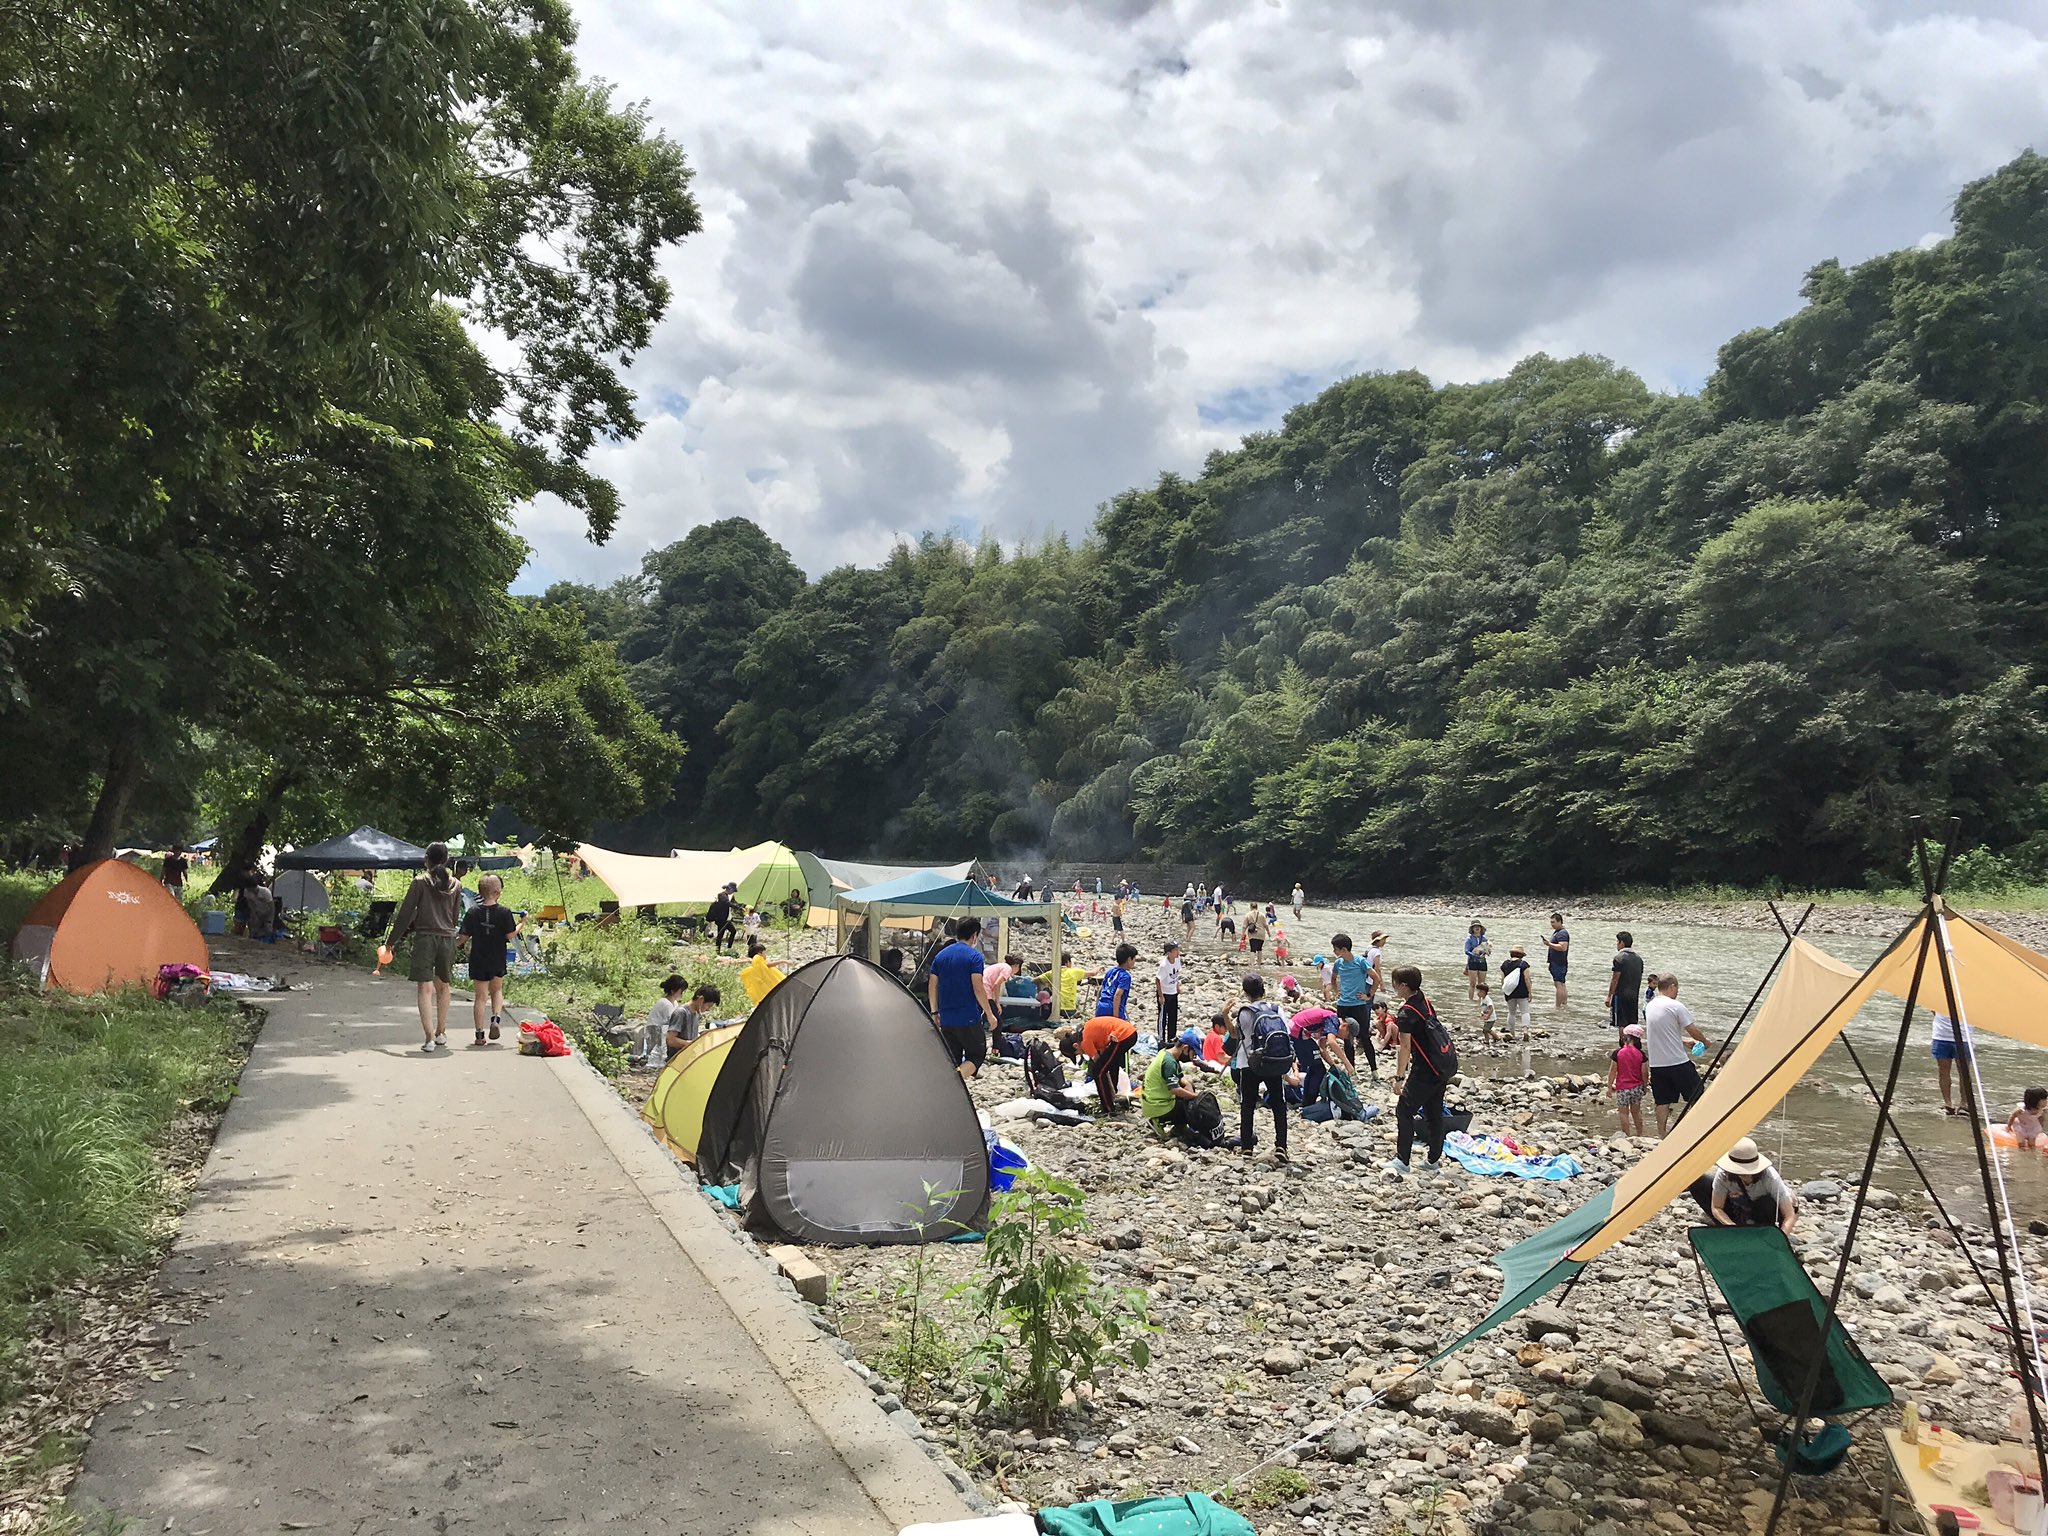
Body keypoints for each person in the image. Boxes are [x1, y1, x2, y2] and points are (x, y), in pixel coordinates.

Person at [388, 842, 463, 1053]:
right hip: (447, 939)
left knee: (425, 988)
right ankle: (441, 1032)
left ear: (426, 859)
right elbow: (455, 917)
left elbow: (405, 914)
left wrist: (391, 942)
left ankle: (429, 1037)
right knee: (444, 986)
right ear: (447, 860)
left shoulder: (419, 882)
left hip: (425, 938)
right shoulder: (456, 885)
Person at [1385, 964, 1458, 1176]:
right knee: (1434, 1113)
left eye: (1396, 984)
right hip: (1440, 1066)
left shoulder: (1406, 1013)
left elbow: (1405, 1047)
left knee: (1404, 1111)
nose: (1394, 988)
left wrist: (1399, 1077)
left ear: (1405, 986)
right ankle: (1433, 1161)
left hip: (1423, 1070)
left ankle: (1402, 1161)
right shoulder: (1424, 1001)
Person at [928, 916, 998, 1079]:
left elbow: (932, 985)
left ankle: (948, 1090)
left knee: (952, 1058)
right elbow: (978, 988)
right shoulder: (974, 957)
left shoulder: (940, 956)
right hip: (968, 1017)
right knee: (976, 1054)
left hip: (946, 1018)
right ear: (974, 935)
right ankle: (954, 1081)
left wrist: (934, 1012)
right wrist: (989, 1014)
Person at [1644, 972, 1711, 1136]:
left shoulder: (1650, 1006)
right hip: (1677, 1062)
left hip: (1657, 1065)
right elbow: (1692, 1029)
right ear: (1672, 986)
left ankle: (1662, 1134)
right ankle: (1695, 1131)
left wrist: (1683, 1041)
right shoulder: (1676, 1006)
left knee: (1662, 1101)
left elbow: (1660, 1032)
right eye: (1677, 988)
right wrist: (1705, 1042)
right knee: (1697, 1094)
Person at [457, 873, 520, 1045]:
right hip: (497, 956)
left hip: (478, 957)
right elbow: (510, 935)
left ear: (480, 891)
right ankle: (496, 1019)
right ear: (498, 892)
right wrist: (522, 923)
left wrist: (451, 944)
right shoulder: (505, 912)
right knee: (497, 990)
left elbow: (462, 937)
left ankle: (479, 1035)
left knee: (480, 997)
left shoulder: (472, 912)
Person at [1235, 974, 1292, 1160]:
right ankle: (1281, 1146)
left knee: (1248, 1105)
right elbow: (1286, 1033)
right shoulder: (1276, 1009)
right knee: (1278, 1104)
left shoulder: (1245, 1012)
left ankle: (1247, 1147)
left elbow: (1237, 1036)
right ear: (1264, 990)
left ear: (1245, 992)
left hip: (1249, 1063)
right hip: (1272, 1061)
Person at [1695, 1138, 1798, 1232]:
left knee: (1766, 1203)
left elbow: (1789, 1215)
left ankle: (1762, 1232)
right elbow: (1717, 1207)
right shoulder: (1723, 1174)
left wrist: (1781, 1238)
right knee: (1698, 1182)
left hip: (1766, 1211)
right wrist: (1732, 1226)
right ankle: (1733, 1229)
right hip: (1739, 1208)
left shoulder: (1770, 1177)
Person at [1142, 1029, 1211, 1147]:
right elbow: (1174, 1089)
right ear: (1185, 1048)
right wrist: (1196, 1097)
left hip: (1153, 1100)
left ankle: (1179, 1126)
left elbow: (1180, 1078)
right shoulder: (1169, 1062)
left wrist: (1188, 1085)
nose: (1193, 1058)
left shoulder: (1167, 1053)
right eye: (1193, 1054)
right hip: (1157, 1105)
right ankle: (1158, 1120)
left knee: (1189, 1089)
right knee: (1189, 1109)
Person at [1328, 933, 1377, 1077]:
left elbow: (1376, 978)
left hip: (1358, 1005)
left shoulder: (1360, 962)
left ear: (1344, 949)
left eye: (1335, 949)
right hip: (1343, 1005)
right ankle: (1352, 1070)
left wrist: (1368, 996)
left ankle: (1374, 1070)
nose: (1334, 951)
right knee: (1347, 1037)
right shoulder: (1338, 963)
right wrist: (1337, 992)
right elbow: (1333, 978)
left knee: (1364, 1037)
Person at [1074, 1010, 1139, 1116]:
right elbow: (1104, 1056)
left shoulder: (1085, 1042)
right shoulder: (1088, 1031)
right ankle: (1114, 1098)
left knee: (1098, 1071)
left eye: (1077, 1053)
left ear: (1075, 1046)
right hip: (1129, 1033)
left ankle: (1108, 1108)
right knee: (1112, 1064)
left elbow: (1098, 1063)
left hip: (1122, 1035)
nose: (1081, 1053)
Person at [1304, 1033, 1366, 1123]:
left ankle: (1307, 1102)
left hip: (1302, 1035)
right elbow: (1332, 1043)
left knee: (1315, 1069)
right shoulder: (1332, 1024)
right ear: (1345, 1026)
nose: (1344, 1037)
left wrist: (1333, 1065)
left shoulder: (1324, 1031)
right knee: (1318, 1070)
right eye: (1347, 1035)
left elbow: (1322, 1049)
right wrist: (1347, 1064)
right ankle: (1308, 1102)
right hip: (1302, 1035)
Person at [632, 974, 689, 1067]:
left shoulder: (674, 1003)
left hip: (662, 1030)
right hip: (655, 1033)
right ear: (673, 991)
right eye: (681, 991)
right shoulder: (665, 1004)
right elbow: (673, 1020)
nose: (682, 994)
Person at [1608, 1023, 1648, 1137]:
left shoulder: (1618, 1053)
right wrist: (1644, 1086)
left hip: (1622, 1087)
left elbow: (1612, 1071)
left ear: (1625, 1038)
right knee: (1636, 1112)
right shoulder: (1641, 1054)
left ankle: (1627, 1135)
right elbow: (1644, 1073)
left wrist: (1609, 1087)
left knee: (1623, 1113)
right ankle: (1640, 1134)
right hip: (1636, 1087)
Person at [1605, 930, 1644, 1036]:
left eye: (1617, 942)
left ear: (1621, 942)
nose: (1616, 944)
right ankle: (1633, 1046)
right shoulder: (1639, 959)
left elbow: (1615, 979)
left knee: (1621, 1022)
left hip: (1621, 995)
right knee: (1632, 1022)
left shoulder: (1619, 958)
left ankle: (1623, 1045)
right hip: (1634, 995)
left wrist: (1609, 996)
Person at [1932, 1012, 1972, 1114]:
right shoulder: (1939, 997)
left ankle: (1964, 1103)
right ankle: (1948, 1104)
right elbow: (1932, 1008)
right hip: (1941, 1035)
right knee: (1943, 1070)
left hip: (1964, 1036)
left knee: (1964, 1072)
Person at [668, 983, 722, 1059]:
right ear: (701, 999)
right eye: (709, 1005)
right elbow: (671, 1040)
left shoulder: (696, 1013)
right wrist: (690, 1044)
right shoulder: (681, 1013)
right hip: (677, 1060)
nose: (708, 1009)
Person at [1155, 941, 1183, 1050]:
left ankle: (1171, 1038)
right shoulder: (1164, 965)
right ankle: (1161, 1040)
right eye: (1175, 950)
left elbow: (1177, 973)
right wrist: (1161, 996)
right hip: (1165, 993)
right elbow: (1157, 980)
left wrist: (1177, 986)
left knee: (1173, 1016)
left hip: (1173, 992)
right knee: (1163, 1017)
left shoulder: (1177, 960)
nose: (1178, 952)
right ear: (1169, 953)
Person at [1499, 945, 1533, 1036]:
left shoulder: (1505, 964)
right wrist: (1529, 992)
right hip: (1522, 991)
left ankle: (1512, 1033)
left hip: (1510, 991)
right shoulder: (1524, 964)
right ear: (1521, 955)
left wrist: (1505, 990)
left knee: (1511, 1012)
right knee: (1525, 1011)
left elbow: (1502, 979)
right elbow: (1527, 979)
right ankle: (1525, 1030)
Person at [1545, 914, 1570, 1008]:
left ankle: (1558, 1006)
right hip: (1558, 962)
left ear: (1560, 921)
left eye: (1553, 922)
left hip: (1558, 962)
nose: (1552, 924)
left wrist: (1549, 944)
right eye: (1551, 922)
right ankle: (1564, 1004)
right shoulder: (1559, 932)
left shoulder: (1562, 933)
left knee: (1558, 984)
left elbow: (1563, 947)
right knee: (1562, 984)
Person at [1462, 920, 1491, 1000]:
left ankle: (1480, 1001)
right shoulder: (1469, 939)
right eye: (1475, 927)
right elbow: (1466, 951)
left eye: (1478, 927)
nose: (1477, 928)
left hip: (1482, 962)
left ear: (1481, 928)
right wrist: (1474, 955)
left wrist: (1488, 951)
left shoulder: (1484, 939)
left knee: (1482, 985)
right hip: (1472, 962)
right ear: (1472, 929)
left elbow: (1488, 949)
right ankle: (1471, 1000)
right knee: (1472, 984)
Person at [706, 885, 738, 954]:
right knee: (720, 935)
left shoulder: (727, 896)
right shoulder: (721, 895)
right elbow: (727, 903)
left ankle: (729, 948)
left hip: (726, 919)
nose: (732, 892)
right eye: (732, 891)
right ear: (729, 889)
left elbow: (733, 903)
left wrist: (741, 906)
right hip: (721, 919)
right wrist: (737, 907)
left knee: (733, 931)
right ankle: (718, 951)